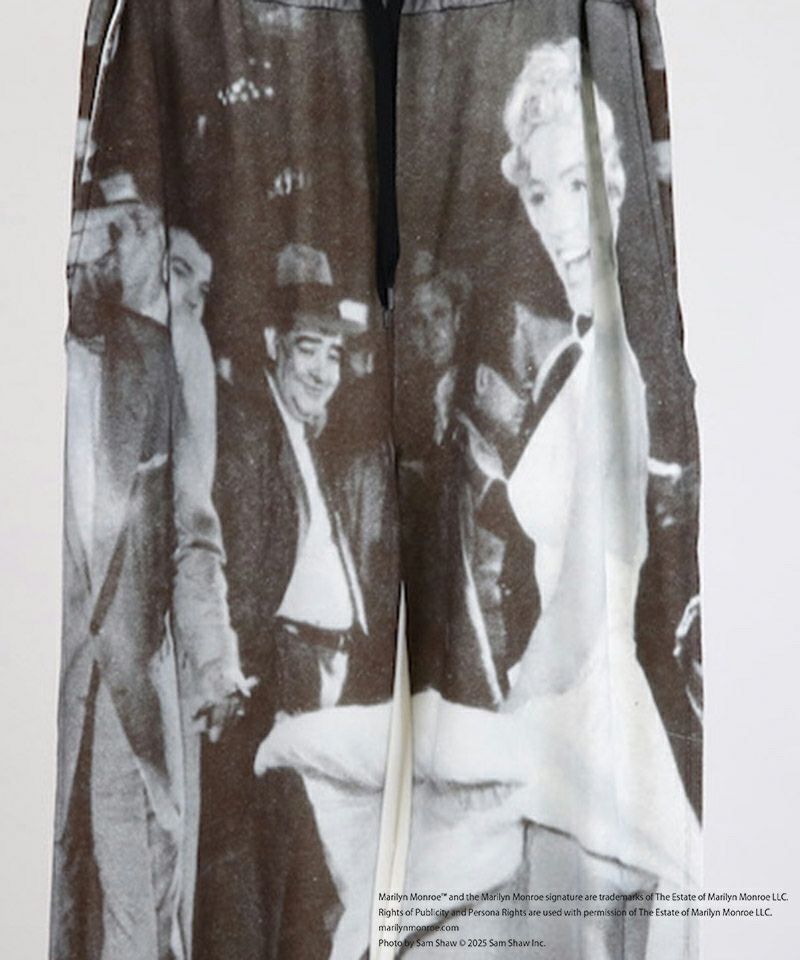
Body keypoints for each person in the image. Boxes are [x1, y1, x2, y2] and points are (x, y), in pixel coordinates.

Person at [51, 200, 244, 960]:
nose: (87, 263)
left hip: (130, 696)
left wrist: (213, 660)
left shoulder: (153, 356)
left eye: (104, 244)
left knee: (142, 922)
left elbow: (191, 535)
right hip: (36, 689)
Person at [194, 244, 383, 960]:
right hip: (279, 686)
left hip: (316, 685)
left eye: (335, 354)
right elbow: (239, 573)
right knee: (262, 885)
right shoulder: (251, 428)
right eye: (310, 348)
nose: (325, 371)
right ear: (274, 344)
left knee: (302, 888)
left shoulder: (303, 434)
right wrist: (257, 684)